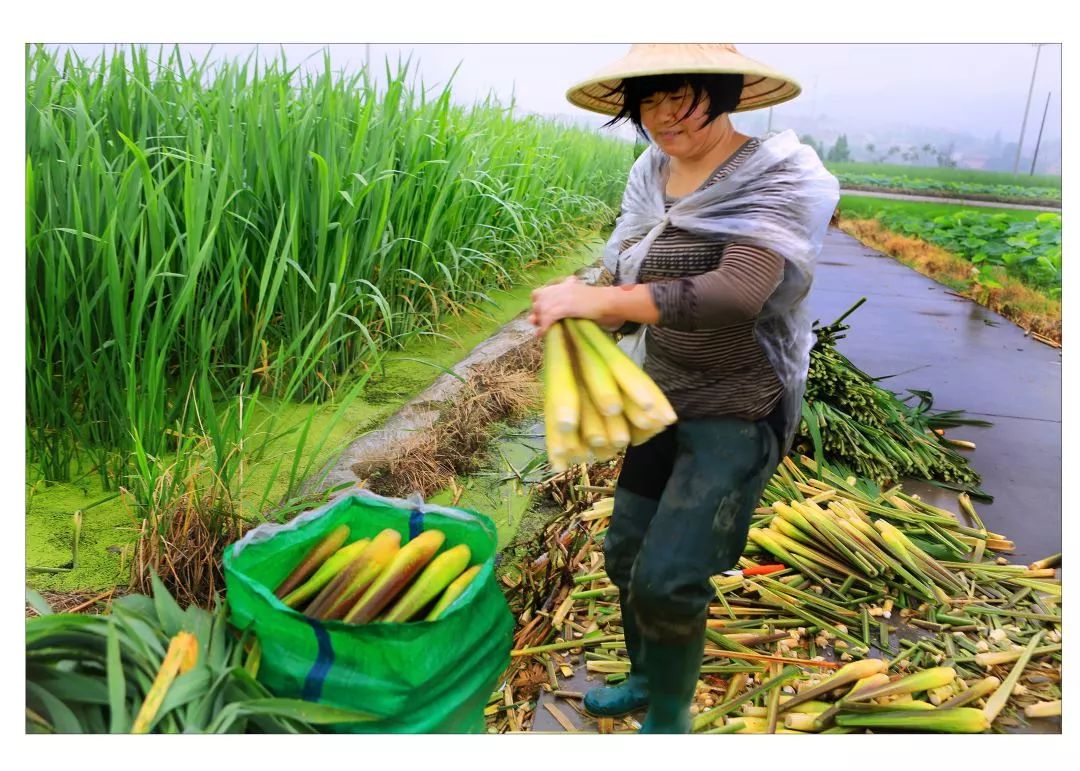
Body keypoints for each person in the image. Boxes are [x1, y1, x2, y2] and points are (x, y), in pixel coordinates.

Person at [528, 44, 839, 733]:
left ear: (724, 94)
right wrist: (580, 318)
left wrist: (604, 304)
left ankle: (670, 717)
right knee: (624, 556)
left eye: (683, 97)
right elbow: (630, 271)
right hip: (662, 396)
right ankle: (647, 675)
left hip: (735, 406)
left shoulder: (772, 176)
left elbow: (736, 294)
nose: (665, 116)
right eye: (650, 101)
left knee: (670, 577)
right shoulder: (651, 172)